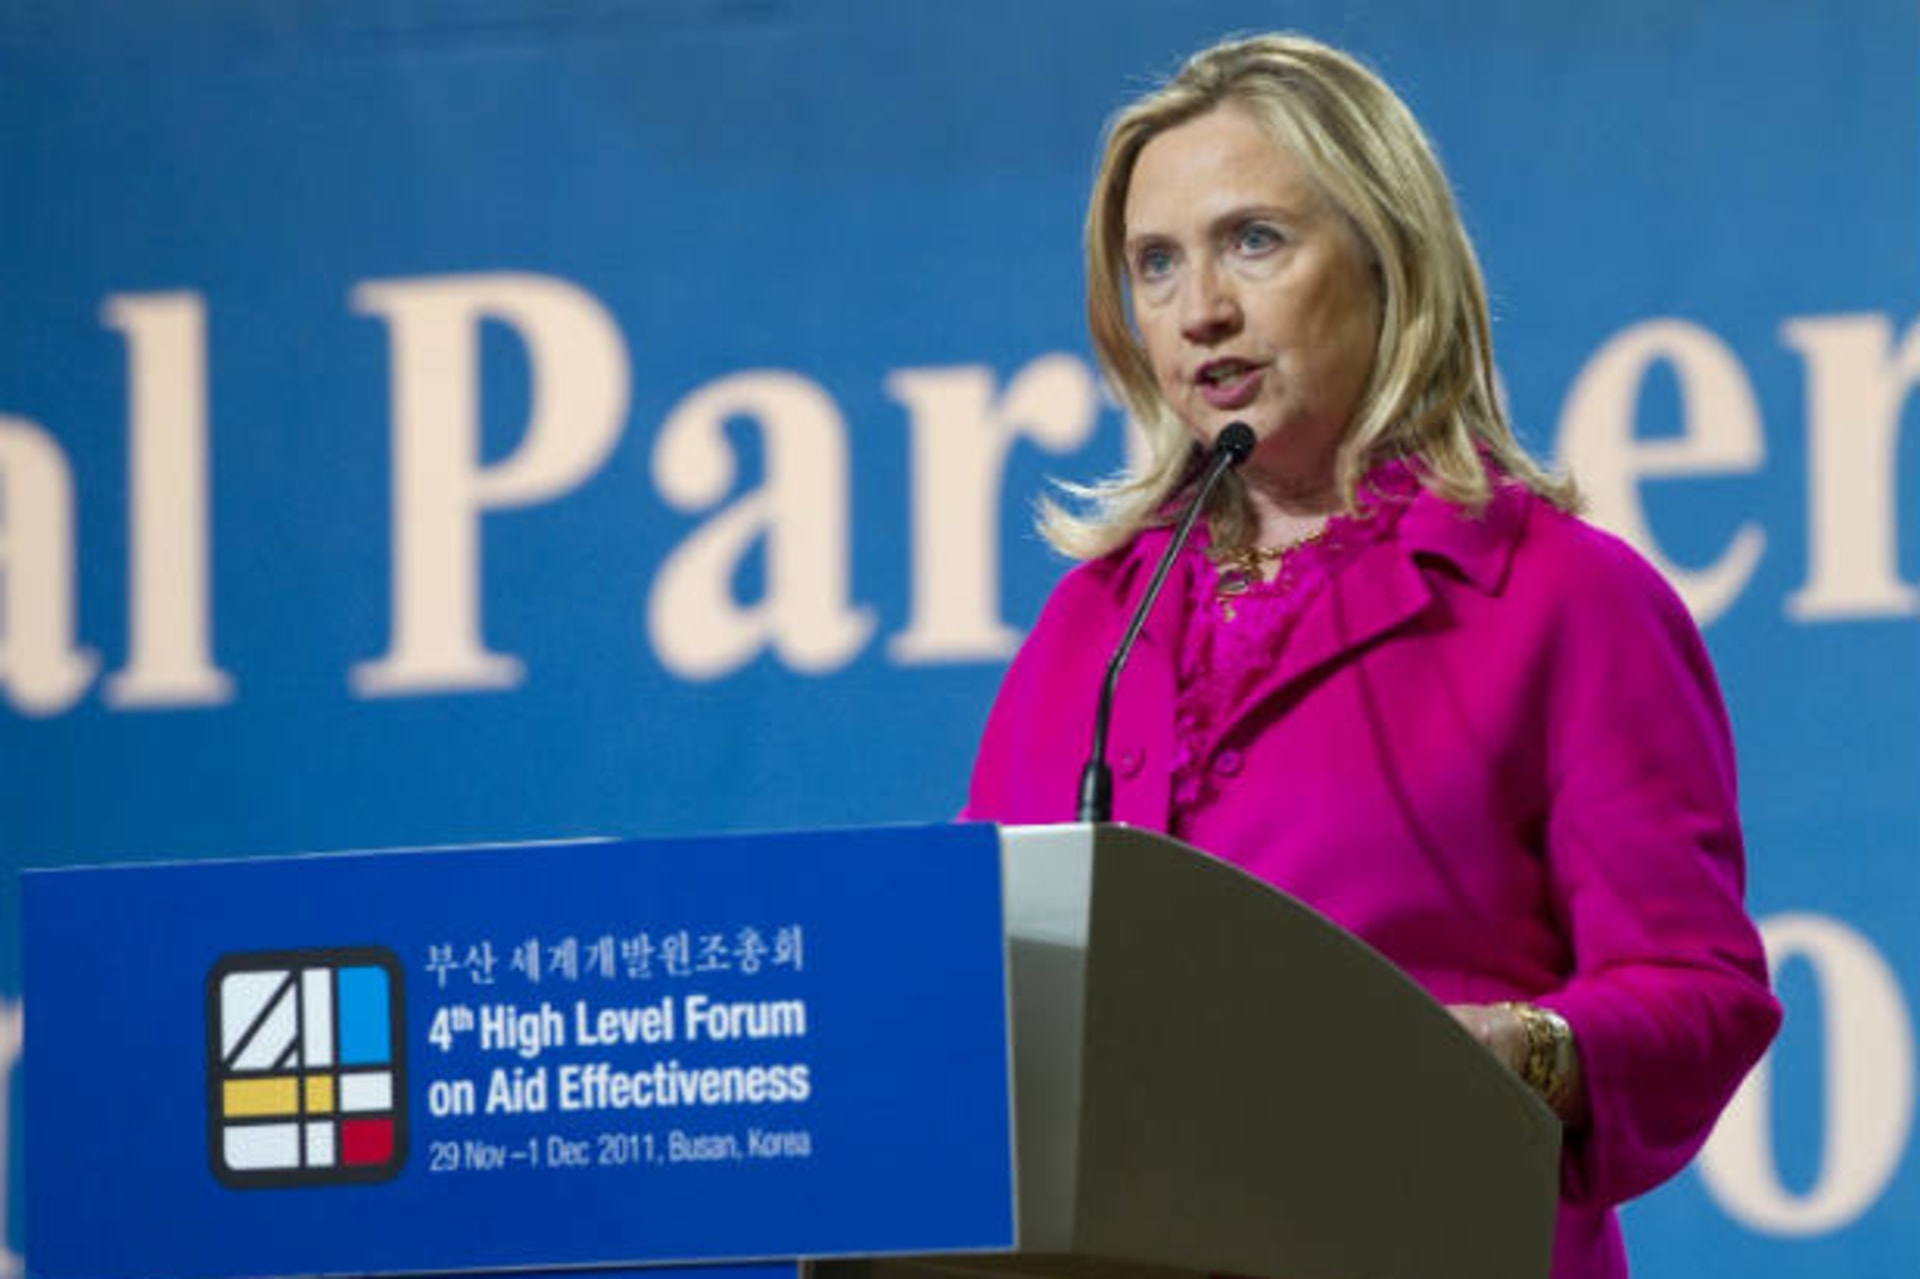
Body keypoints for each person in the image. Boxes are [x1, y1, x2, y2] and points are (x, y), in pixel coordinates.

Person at [961, 33, 1780, 1279]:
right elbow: (969, 983)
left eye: (1254, 241)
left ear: (1388, 258)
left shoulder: (1562, 598)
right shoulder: (1091, 628)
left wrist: (1520, 1049)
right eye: (1156, 264)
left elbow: (1699, 988)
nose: (1201, 311)